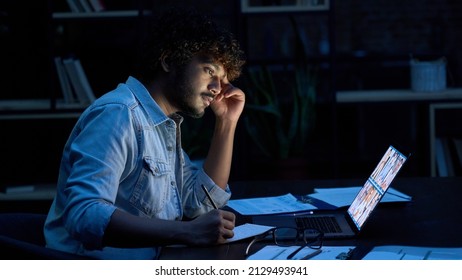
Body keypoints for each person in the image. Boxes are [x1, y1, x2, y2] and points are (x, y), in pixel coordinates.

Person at [44, 8, 246, 259]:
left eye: (223, 80)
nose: (217, 89)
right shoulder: (119, 114)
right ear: (169, 60)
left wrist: (226, 122)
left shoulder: (161, 125)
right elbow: (85, 214)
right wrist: (185, 232)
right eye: (209, 71)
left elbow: (199, 204)